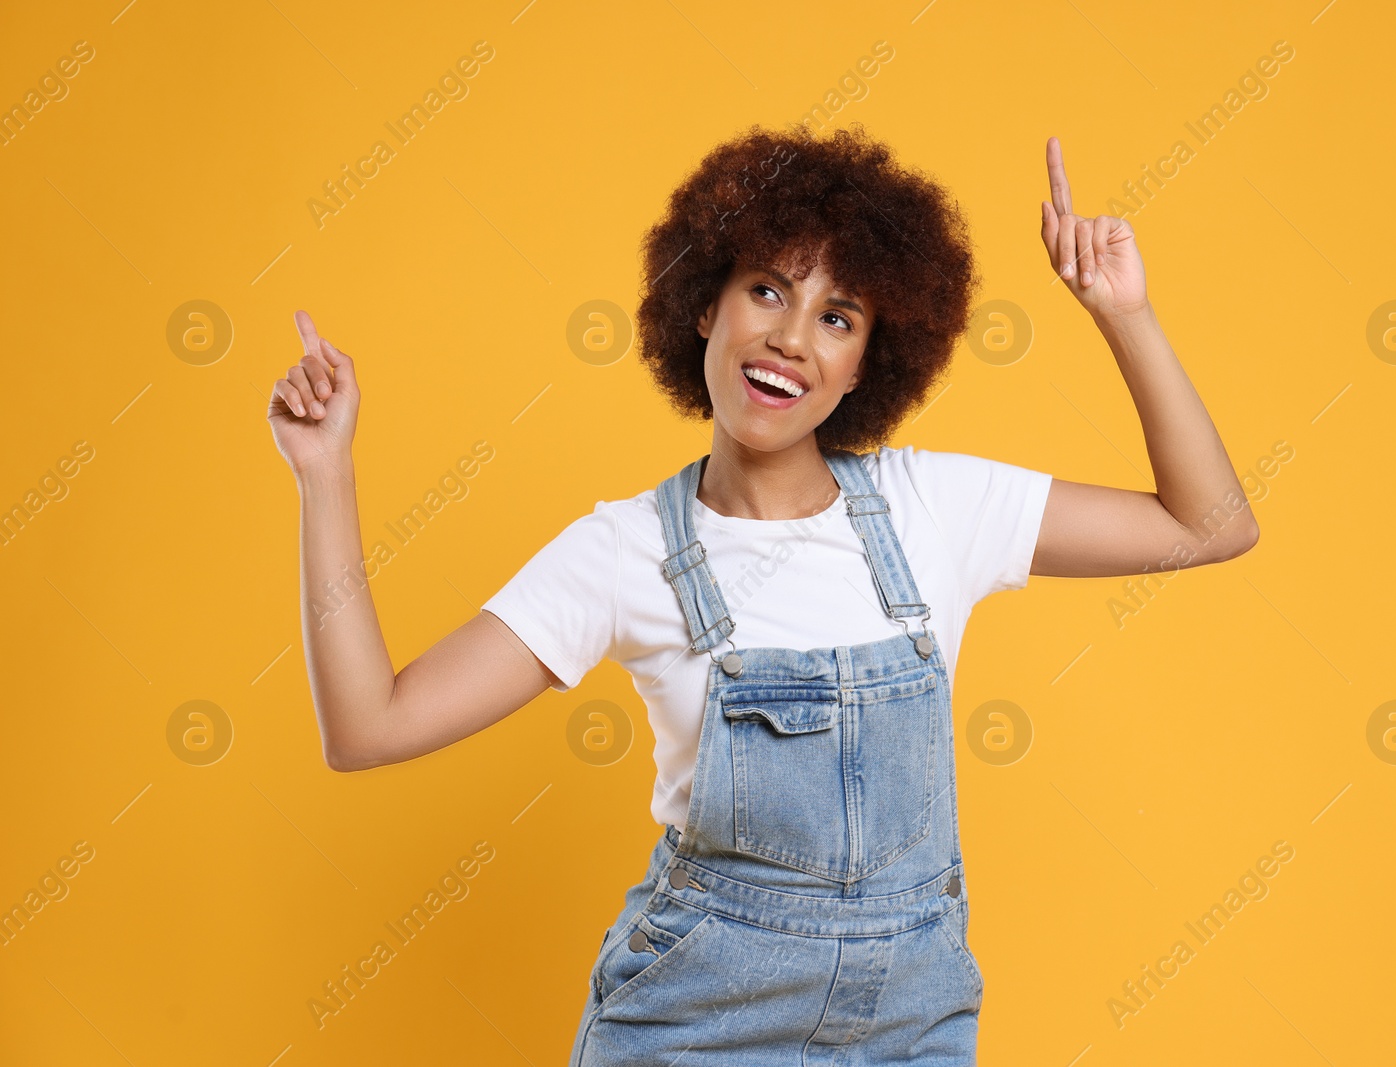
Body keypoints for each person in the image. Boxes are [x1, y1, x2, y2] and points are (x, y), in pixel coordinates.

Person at [268, 123, 1259, 1064]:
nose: (791, 337)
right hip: (688, 1026)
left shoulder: (933, 508)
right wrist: (327, 475)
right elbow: (368, 725)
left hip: (904, 1031)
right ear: (706, 304)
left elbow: (1209, 524)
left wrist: (1121, 311)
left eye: (837, 316)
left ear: (866, 362)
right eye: (766, 290)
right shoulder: (621, 552)